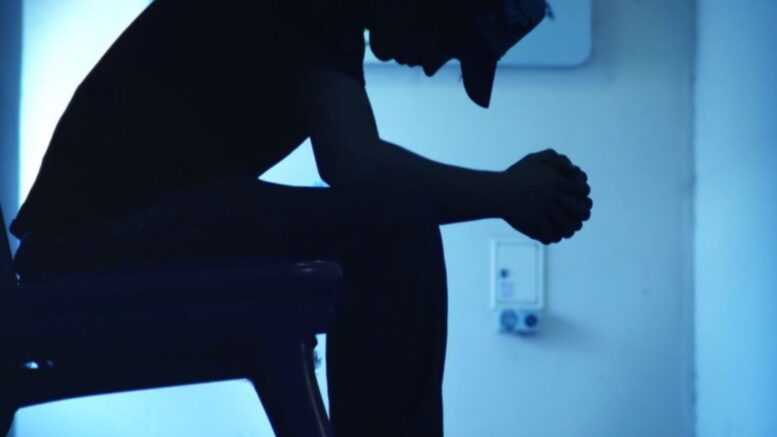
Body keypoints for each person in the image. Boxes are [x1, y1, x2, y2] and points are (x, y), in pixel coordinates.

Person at [11, 0, 592, 435]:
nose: (435, 64)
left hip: (93, 237)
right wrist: (508, 195)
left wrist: (508, 195)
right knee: (391, 226)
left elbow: (353, 169)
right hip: (84, 246)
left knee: (389, 221)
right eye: (452, 43)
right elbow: (355, 165)